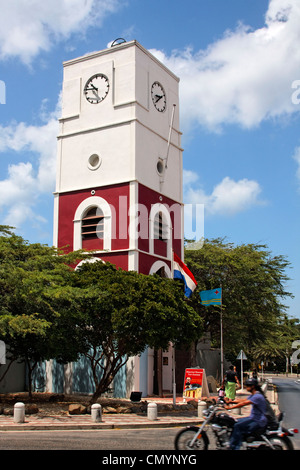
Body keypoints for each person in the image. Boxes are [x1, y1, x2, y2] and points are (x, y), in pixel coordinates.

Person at [224, 378, 268, 450]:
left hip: (258, 420)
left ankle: (235, 447)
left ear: (253, 386)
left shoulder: (257, 396)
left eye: (247, 385)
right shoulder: (254, 394)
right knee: (234, 421)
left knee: (237, 426)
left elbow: (244, 403)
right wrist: (230, 402)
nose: (246, 387)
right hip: (253, 418)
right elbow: (242, 400)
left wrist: (230, 408)